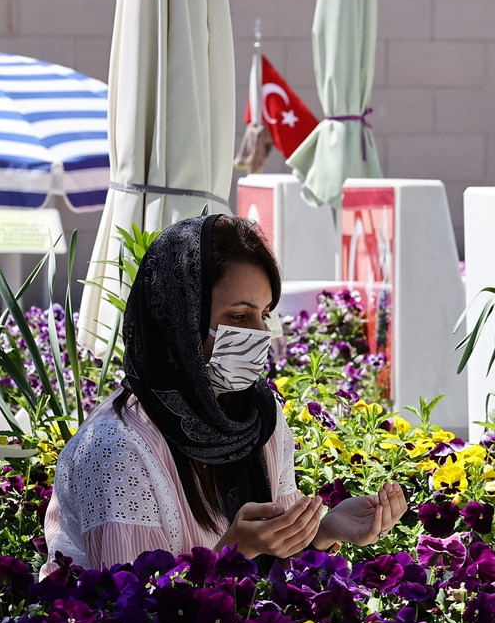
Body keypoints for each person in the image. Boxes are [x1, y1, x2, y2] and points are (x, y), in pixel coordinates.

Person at [41, 214, 406, 575]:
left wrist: (324, 531)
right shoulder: (117, 448)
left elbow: (279, 560)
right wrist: (235, 551)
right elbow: (133, 614)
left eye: (265, 314)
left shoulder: (257, 419)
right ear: (176, 321)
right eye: (239, 317)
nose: (261, 333)